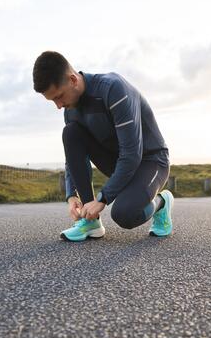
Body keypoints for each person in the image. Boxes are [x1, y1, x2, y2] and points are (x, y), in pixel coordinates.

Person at [32, 51, 174, 242]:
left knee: (124, 214)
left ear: (73, 80)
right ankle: (91, 222)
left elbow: (132, 154)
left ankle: (162, 202)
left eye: (59, 96)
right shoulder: (70, 110)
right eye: (53, 101)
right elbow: (72, 155)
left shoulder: (113, 89)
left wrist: (102, 199)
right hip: (118, 161)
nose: (58, 106)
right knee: (71, 132)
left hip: (151, 161)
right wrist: (71, 196)